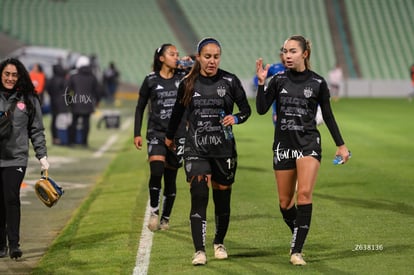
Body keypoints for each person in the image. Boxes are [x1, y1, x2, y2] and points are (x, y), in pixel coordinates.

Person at [256, 35, 350, 266]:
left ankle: (296, 250)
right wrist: (261, 83)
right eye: (285, 51)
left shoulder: (318, 83)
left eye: (292, 51)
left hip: (308, 143)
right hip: (283, 145)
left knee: (304, 194)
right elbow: (260, 109)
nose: (287, 55)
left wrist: (341, 145)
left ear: (304, 54)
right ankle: (299, 234)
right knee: (285, 203)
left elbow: (327, 116)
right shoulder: (278, 80)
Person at [165, 37, 251, 265]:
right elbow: (176, 113)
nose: (212, 61)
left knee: (222, 199)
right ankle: (199, 251)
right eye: (207, 57)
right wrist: (168, 138)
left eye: (216, 57)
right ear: (199, 58)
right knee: (199, 194)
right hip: (196, 148)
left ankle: (219, 242)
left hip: (224, 150)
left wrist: (236, 118)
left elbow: (246, 110)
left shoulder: (230, 81)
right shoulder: (188, 82)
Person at [134, 44, 189, 232]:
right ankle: (154, 212)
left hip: (177, 135)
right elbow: (140, 107)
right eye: (172, 54)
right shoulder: (150, 80)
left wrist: (190, 63)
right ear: (161, 58)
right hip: (156, 133)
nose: (176, 57)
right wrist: (137, 133)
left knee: (171, 178)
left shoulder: (183, 78)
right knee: (156, 172)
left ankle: (166, 217)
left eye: (178, 54)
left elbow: (201, 70)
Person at [0, 58, 50, 259]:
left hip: (16, 158)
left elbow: (36, 129)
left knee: (11, 197)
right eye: (6, 74)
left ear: (19, 76)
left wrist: (42, 155)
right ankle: (0, 245)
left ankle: (14, 244)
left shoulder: (28, 99)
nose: (10, 78)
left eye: (14, 75)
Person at [67, 56, 100, 147]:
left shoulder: (74, 76)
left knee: (74, 123)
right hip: (88, 103)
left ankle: (72, 141)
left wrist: (69, 102)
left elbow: (69, 91)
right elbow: (97, 91)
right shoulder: (92, 77)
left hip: (76, 103)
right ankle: (84, 142)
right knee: (86, 123)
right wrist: (97, 101)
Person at [46, 64, 70, 145]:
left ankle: (55, 138)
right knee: (63, 122)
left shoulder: (51, 79)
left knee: (54, 121)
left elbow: (48, 90)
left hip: (53, 102)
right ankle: (63, 138)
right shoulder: (64, 80)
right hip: (63, 103)